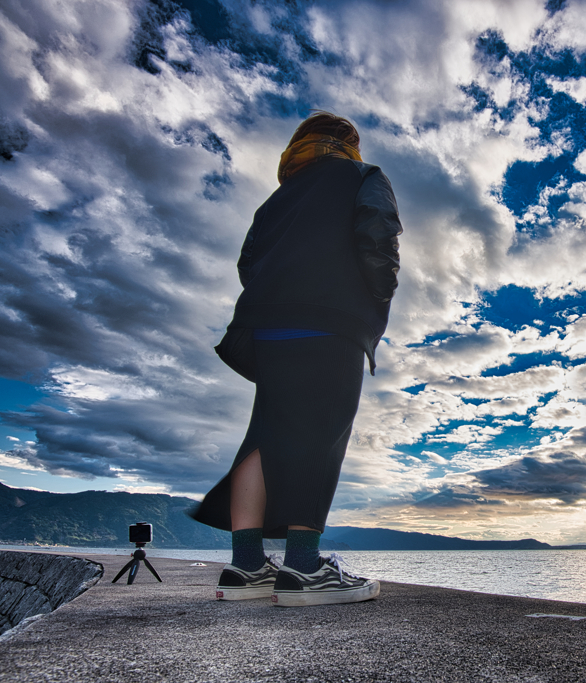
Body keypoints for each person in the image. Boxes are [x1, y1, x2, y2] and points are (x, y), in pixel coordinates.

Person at [190, 112, 402, 606]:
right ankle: (304, 568)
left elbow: (248, 262)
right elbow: (379, 234)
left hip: (268, 325)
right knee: (321, 432)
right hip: (331, 320)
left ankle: (246, 568)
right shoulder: (363, 175)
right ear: (348, 144)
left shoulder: (276, 199)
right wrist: (377, 295)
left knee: (264, 433)